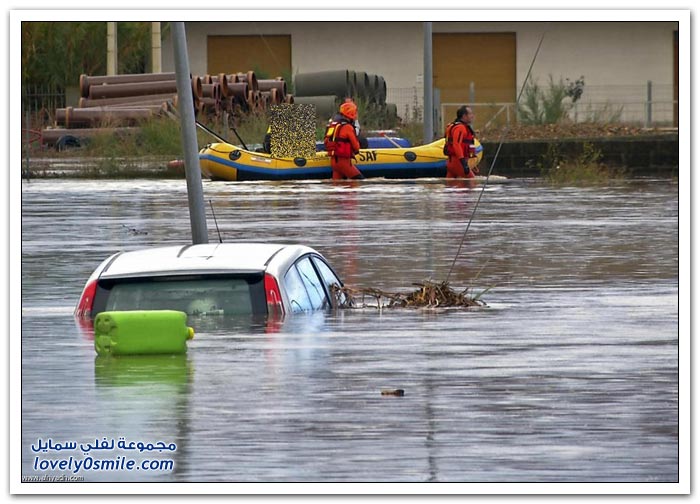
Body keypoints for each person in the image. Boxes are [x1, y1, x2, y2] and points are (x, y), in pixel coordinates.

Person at [324, 101, 364, 180]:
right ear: (351, 114)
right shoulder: (348, 127)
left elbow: (326, 141)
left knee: (337, 185)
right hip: (344, 162)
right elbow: (356, 147)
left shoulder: (333, 125)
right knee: (359, 181)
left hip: (334, 162)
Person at [443, 105, 480, 178]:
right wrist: (463, 163)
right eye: (470, 114)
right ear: (464, 116)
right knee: (472, 182)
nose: (472, 116)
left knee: (451, 183)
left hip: (451, 162)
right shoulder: (460, 128)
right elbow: (456, 144)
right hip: (458, 162)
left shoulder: (453, 126)